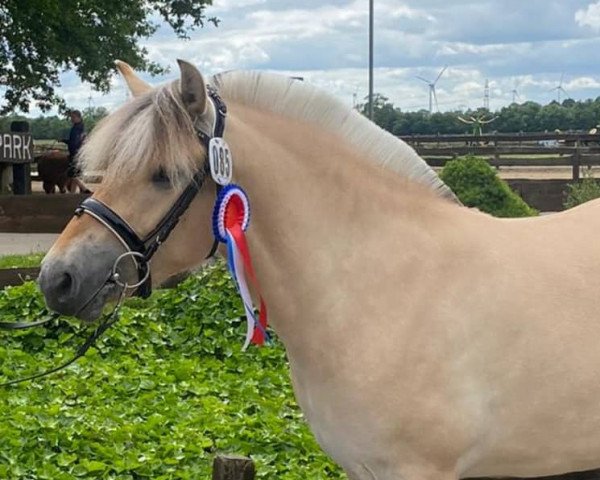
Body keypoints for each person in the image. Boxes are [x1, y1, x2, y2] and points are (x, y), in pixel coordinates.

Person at [62, 110, 92, 193]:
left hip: (76, 154)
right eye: (71, 117)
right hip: (79, 154)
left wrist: (68, 142)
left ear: (79, 117)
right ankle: (72, 193)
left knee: (72, 174)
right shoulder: (80, 127)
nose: (72, 119)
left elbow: (75, 142)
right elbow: (75, 141)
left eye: (73, 117)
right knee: (75, 174)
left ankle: (85, 189)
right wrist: (65, 141)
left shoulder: (76, 129)